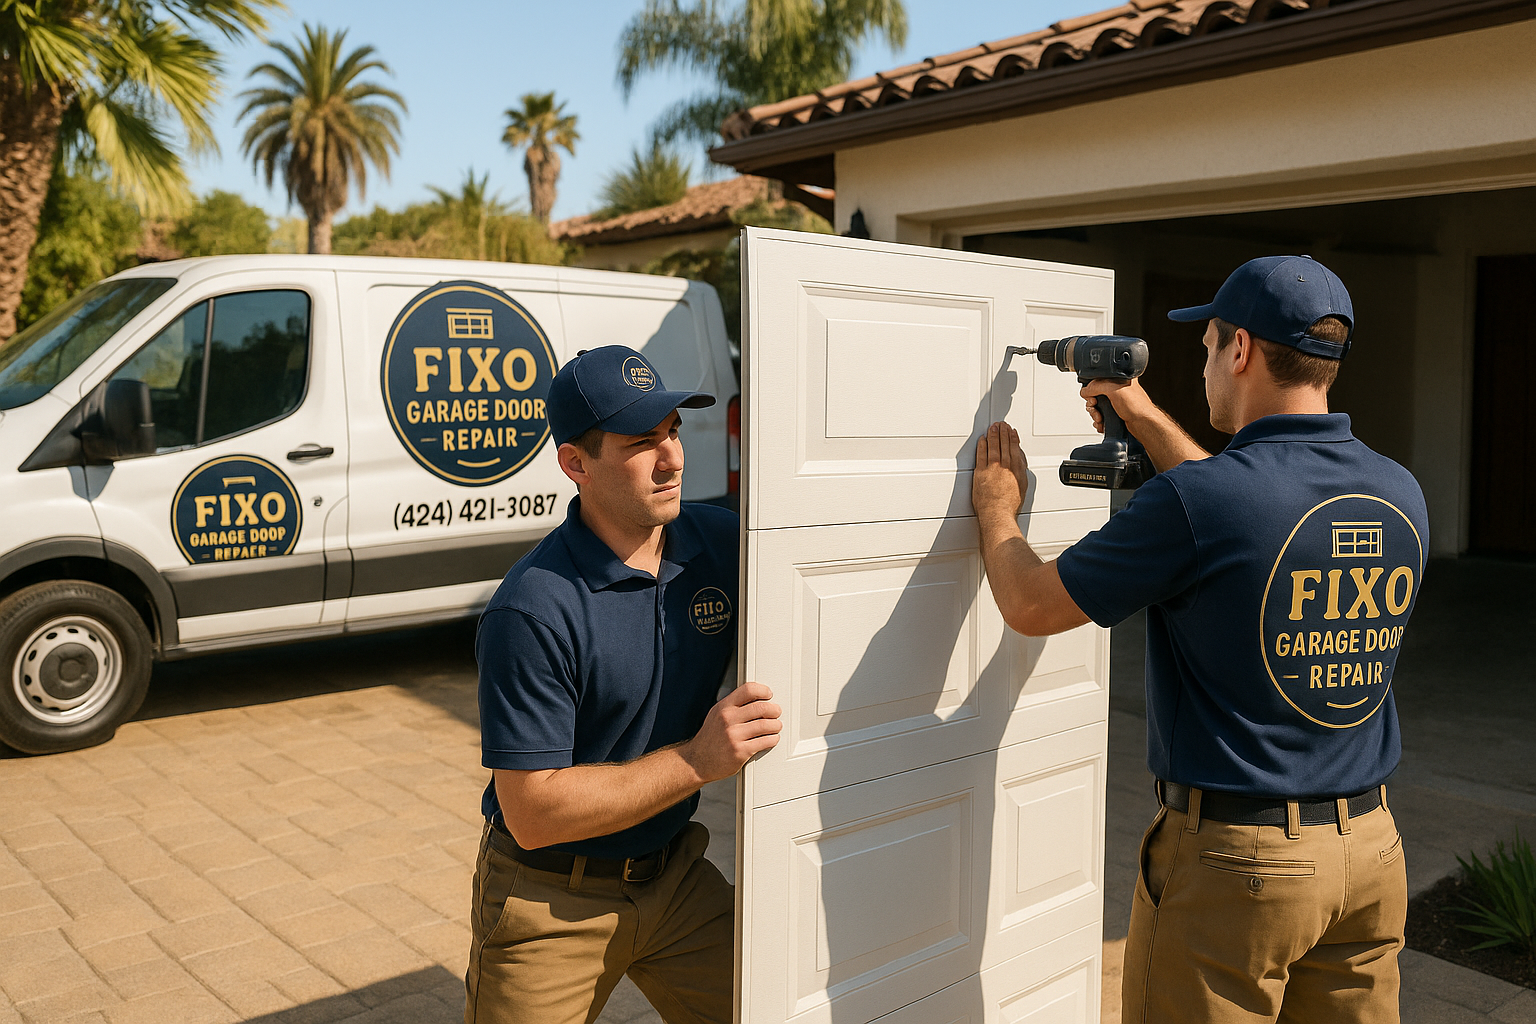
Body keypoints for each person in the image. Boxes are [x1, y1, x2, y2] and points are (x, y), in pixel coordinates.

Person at [970, 256, 1428, 1024]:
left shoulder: (1201, 502)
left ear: (1241, 349)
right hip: (1371, 855)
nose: (1207, 364)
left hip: (1239, 871)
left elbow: (1028, 603)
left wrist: (996, 507)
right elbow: (1243, 511)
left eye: (1210, 345)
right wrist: (1140, 412)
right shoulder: (1397, 489)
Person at [465, 344, 782, 1024]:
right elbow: (532, 812)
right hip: (553, 900)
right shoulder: (531, 610)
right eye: (642, 442)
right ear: (576, 464)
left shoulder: (719, 543)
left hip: (675, 877)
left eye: (674, 430)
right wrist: (699, 760)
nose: (672, 458)